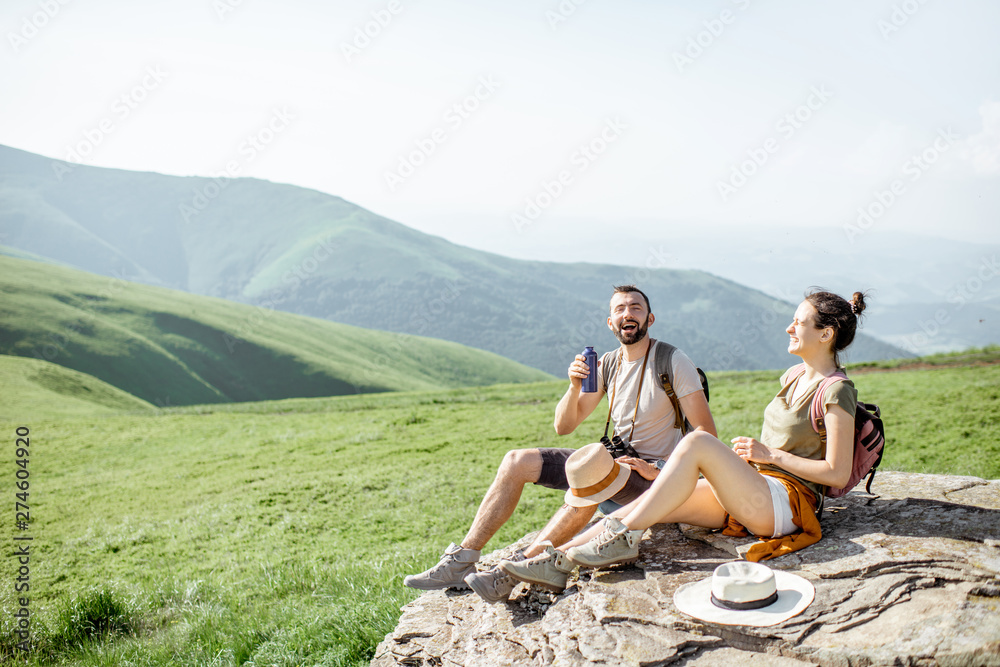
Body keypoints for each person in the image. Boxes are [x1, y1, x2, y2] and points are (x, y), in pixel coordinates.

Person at [501, 289, 866, 592]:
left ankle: (622, 540)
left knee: (697, 443)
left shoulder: (836, 390)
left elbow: (835, 473)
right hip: (757, 489)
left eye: (799, 322)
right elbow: (564, 424)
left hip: (786, 504)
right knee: (653, 502)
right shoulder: (793, 375)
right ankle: (552, 561)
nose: (789, 327)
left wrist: (770, 454)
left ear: (826, 333)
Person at [403, 285, 716, 602]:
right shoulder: (608, 363)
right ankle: (463, 558)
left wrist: (657, 469)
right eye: (620, 309)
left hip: (653, 483)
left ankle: (516, 569)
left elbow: (707, 437)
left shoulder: (672, 360)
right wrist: (574, 386)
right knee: (517, 461)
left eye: (635, 307)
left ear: (649, 318)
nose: (627, 314)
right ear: (611, 323)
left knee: (594, 470)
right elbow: (564, 426)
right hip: (612, 467)